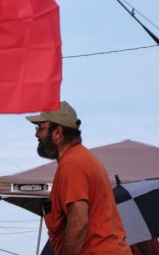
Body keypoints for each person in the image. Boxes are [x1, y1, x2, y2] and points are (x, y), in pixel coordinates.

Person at [27, 100, 131, 255]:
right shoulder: (81, 159)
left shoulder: (72, 164)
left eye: (41, 128)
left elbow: (78, 223)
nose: (36, 134)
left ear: (57, 133)